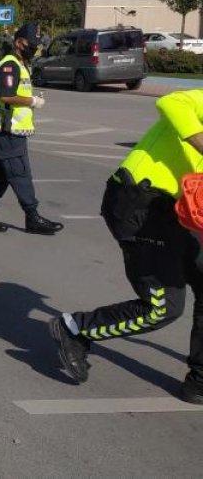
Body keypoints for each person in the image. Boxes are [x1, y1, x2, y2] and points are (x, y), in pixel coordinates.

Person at [48, 90, 203, 404]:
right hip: (140, 204)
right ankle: (76, 328)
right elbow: (170, 101)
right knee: (163, 307)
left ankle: (199, 380)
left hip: (181, 211)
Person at [0, 23, 63, 236]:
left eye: (36, 45)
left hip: (11, 128)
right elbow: (6, 96)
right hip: (7, 128)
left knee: (1, 172)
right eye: (31, 44)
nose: (34, 48)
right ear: (18, 43)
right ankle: (32, 216)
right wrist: (32, 101)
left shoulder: (20, 64)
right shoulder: (10, 64)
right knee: (20, 172)